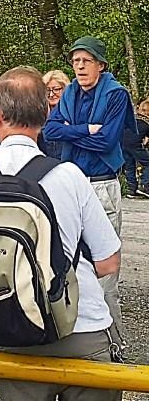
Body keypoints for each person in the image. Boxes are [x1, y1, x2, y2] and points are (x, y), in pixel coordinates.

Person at [0, 66, 122, 401]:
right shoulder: (69, 176)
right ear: (45, 115)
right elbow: (108, 263)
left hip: (12, 328)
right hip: (80, 326)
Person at [43, 36, 136, 346]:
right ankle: (70, 338)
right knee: (67, 261)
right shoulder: (69, 92)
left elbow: (107, 141)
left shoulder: (116, 95)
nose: (80, 66)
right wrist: (86, 129)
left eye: (86, 61)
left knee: (105, 268)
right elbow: (50, 130)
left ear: (101, 65)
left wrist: (70, 131)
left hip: (101, 184)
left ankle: (114, 343)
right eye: (76, 61)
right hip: (70, 183)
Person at [41, 69, 71, 160]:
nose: (51, 94)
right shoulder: (39, 116)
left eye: (56, 89)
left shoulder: (73, 114)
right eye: (47, 90)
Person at [122, 100, 149, 198]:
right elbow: (146, 140)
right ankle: (144, 186)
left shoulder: (131, 119)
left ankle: (131, 190)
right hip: (135, 146)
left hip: (123, 144)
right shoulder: (147, 123)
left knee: (129, 166)